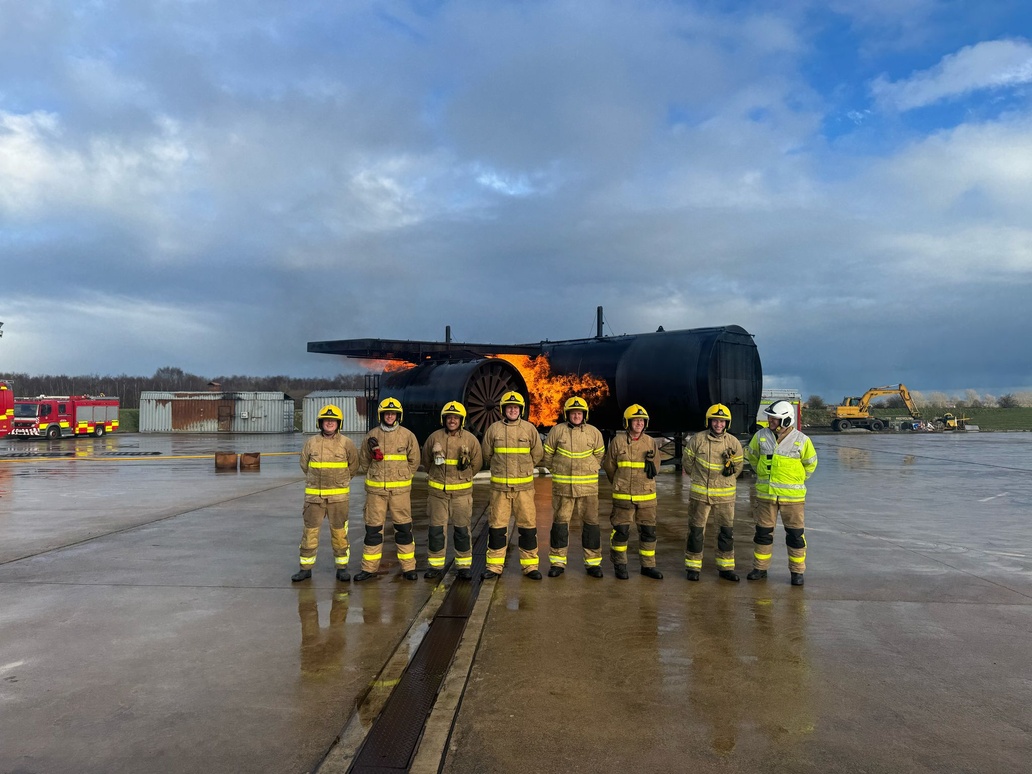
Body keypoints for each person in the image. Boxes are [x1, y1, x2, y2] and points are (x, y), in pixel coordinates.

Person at [745, 400, 818, 586]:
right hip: (766, 496)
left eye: (774, 418)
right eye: (770, 417)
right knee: (762, 533)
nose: (770, 420)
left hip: (792, 499)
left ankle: (797, 572)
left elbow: (810, 464)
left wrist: (797, 480)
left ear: (785, 420)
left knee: (795, 535)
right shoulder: (760, 436)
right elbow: (751, 456)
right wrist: (761, 472)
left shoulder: (802, 440)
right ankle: (760, 568)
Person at [354, 397, 421, 582]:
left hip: (400, 493)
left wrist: (404, 476)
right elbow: (364, 461)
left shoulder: (408, 436)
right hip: (376, 493)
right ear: (381, 415)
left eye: (393, 413)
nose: (390, 416)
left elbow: (414, 461)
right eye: (386, 413)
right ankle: (368, 569)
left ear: (398, 415)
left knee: (404, 529)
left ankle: (409, 568)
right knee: (373, 531)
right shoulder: (371, 435)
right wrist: (375, 476)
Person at [480, 391, 544, 580]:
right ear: (504, 410)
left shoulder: (529, 429)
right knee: (497, 529)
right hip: (500, 490)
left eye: (516, 408)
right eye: (510, 407)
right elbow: (487, 454)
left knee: (528, 528)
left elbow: (537, 454)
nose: (513, 410)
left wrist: (525, 469)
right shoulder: (494, 429)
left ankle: (530, 566)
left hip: (524, 490)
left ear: (520, 410)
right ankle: (494, 566)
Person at [292, 404, 359, 582]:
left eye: (333, 421)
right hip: (314, 498)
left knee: (339, 534)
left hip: (338, 499)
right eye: (326, 420)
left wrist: (340, 482)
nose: (330, 423)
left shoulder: (347, 443)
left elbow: (353, 466)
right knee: (310, 534)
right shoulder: (311, 443)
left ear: (339, 423)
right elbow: (304, 465)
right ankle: (305, 568)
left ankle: (342, 568)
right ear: (320, 423)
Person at [541, 396, 606, 578]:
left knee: (591, 525)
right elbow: (547, 454)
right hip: (563, 489)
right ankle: (557, 563)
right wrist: (557, 470)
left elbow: (600, 454)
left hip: (588, 490)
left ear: (584, 415)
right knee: (560, 525)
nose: (576, 416)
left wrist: (591, 468)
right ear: (567, 414)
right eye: (573, 413)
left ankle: (593, 563)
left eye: (579, 413)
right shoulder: (557, 431)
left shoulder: (594, 433)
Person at [682, 403, 745, 582]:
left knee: (725, 532)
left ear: (727, 423)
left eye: (722, 421)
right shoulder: (697, 439)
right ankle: (693, 567)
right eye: (715, 421)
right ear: (709, 421)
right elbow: (687, 461)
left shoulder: (733, 443)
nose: (718, 424)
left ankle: (726, 568)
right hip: (700, 495)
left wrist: (726, 481)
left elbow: (738, 466)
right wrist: (698, 479)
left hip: (725, 497)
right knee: (695, 531)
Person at [421, 401, 483, 580]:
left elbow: (477, 463)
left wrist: (465, 475)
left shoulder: (470, 440)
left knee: (462, 531)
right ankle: (435, 566)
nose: (452, 420)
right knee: (436, 531)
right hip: (437, 494)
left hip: (461, 496)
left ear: (461, 420)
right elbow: (427, 460)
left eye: (455, 418)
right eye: (449, 417)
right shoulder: (434, 438)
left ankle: (463, 567)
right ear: (444, 419)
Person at [602, 404, 663, 580]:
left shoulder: (650, 442)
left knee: (649, 533)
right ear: (627, 422)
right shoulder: (617, 442)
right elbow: (609, 466)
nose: (639, 423)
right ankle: (620, 565)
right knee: (621, 532)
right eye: (635, 420)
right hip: (623, 496)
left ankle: (648, 566)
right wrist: (620, 483)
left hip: (647, 497)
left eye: (642, 420)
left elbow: (656, 466)